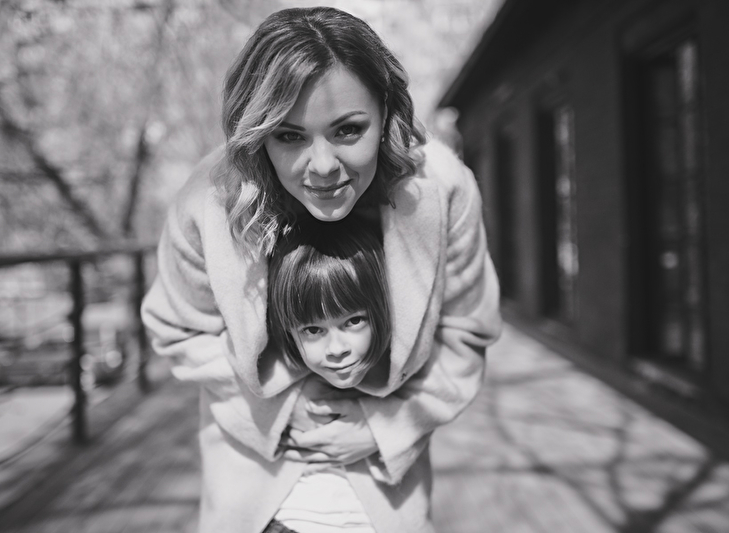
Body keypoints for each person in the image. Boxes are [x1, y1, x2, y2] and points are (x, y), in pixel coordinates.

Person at [141, 6, 502, 533]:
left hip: (385, 502)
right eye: (289, 136)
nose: (324, 166)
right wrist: (283, 410)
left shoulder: (442, 191)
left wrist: (385, 427)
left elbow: (467, 330)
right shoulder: (208, 201)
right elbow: (177, 328)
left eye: (348, 130)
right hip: (254, 494)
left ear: (386, 112)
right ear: (257, 134)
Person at [265, 213, 391, 533]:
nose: (336, 349)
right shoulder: (277, 387)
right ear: (289, 331)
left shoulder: (400, 377)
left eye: (353, 321)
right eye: (313, 329)